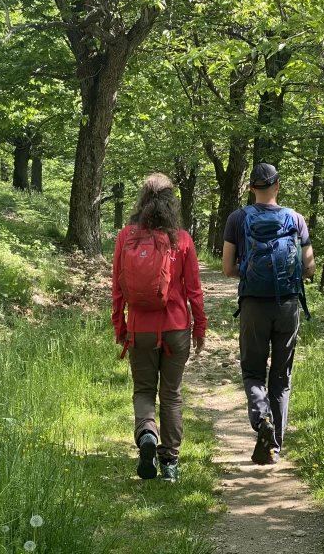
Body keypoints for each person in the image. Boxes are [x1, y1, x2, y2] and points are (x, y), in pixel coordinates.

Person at [112, 174, 207, 482]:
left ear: (142, 198)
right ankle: (169, 464)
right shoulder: (182, 239)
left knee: (143, 390)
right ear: (171, 201)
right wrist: (200, 329)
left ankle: (147, 435)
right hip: (176, 328)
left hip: (140, 329)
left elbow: (117, 289)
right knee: (171, 394)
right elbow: (194, 290)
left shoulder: (126, 236)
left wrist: (120, 326)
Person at [221, 163, 315, 464]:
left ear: (251, 188)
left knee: (252, 372)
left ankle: (262, 420)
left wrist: (252, 277)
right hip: (287, 306)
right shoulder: (295, 219)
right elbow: (309, 267)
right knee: (281, 378)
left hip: (252, 306)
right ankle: (273, 447)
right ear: (278, 185)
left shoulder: (237, 218)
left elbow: (226, 268)